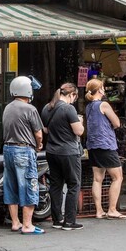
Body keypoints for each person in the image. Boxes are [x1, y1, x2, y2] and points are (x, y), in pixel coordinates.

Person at [2, 75, 45, 235]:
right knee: (29, 185)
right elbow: (38, 133)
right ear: (27, 90)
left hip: (8, 150)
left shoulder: (8, 107)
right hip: (24, 150)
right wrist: (39, 144)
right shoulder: (30, 109)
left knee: (11, 186)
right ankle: (27, 225)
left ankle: (15, 222)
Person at [40, 83, 84, 231]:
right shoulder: (69, 108)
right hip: (69, 152)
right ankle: (70, 221)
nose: (74, 100)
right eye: (75, 96)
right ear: (71, 95)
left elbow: (45, 129)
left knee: (56, 185)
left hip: (52, 151)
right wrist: (81, 122)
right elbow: (78, 131)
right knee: (73, 184)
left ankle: (57, 219)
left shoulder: (47, 108)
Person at [84, 79, 126, 220]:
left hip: (93, 145)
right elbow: (117, 122)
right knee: (117, 177)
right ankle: (112, 209)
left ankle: (99, 210)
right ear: (101, 89)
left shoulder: (89, 106)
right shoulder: (104, 104)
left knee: (97, 179)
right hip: (106, 144)